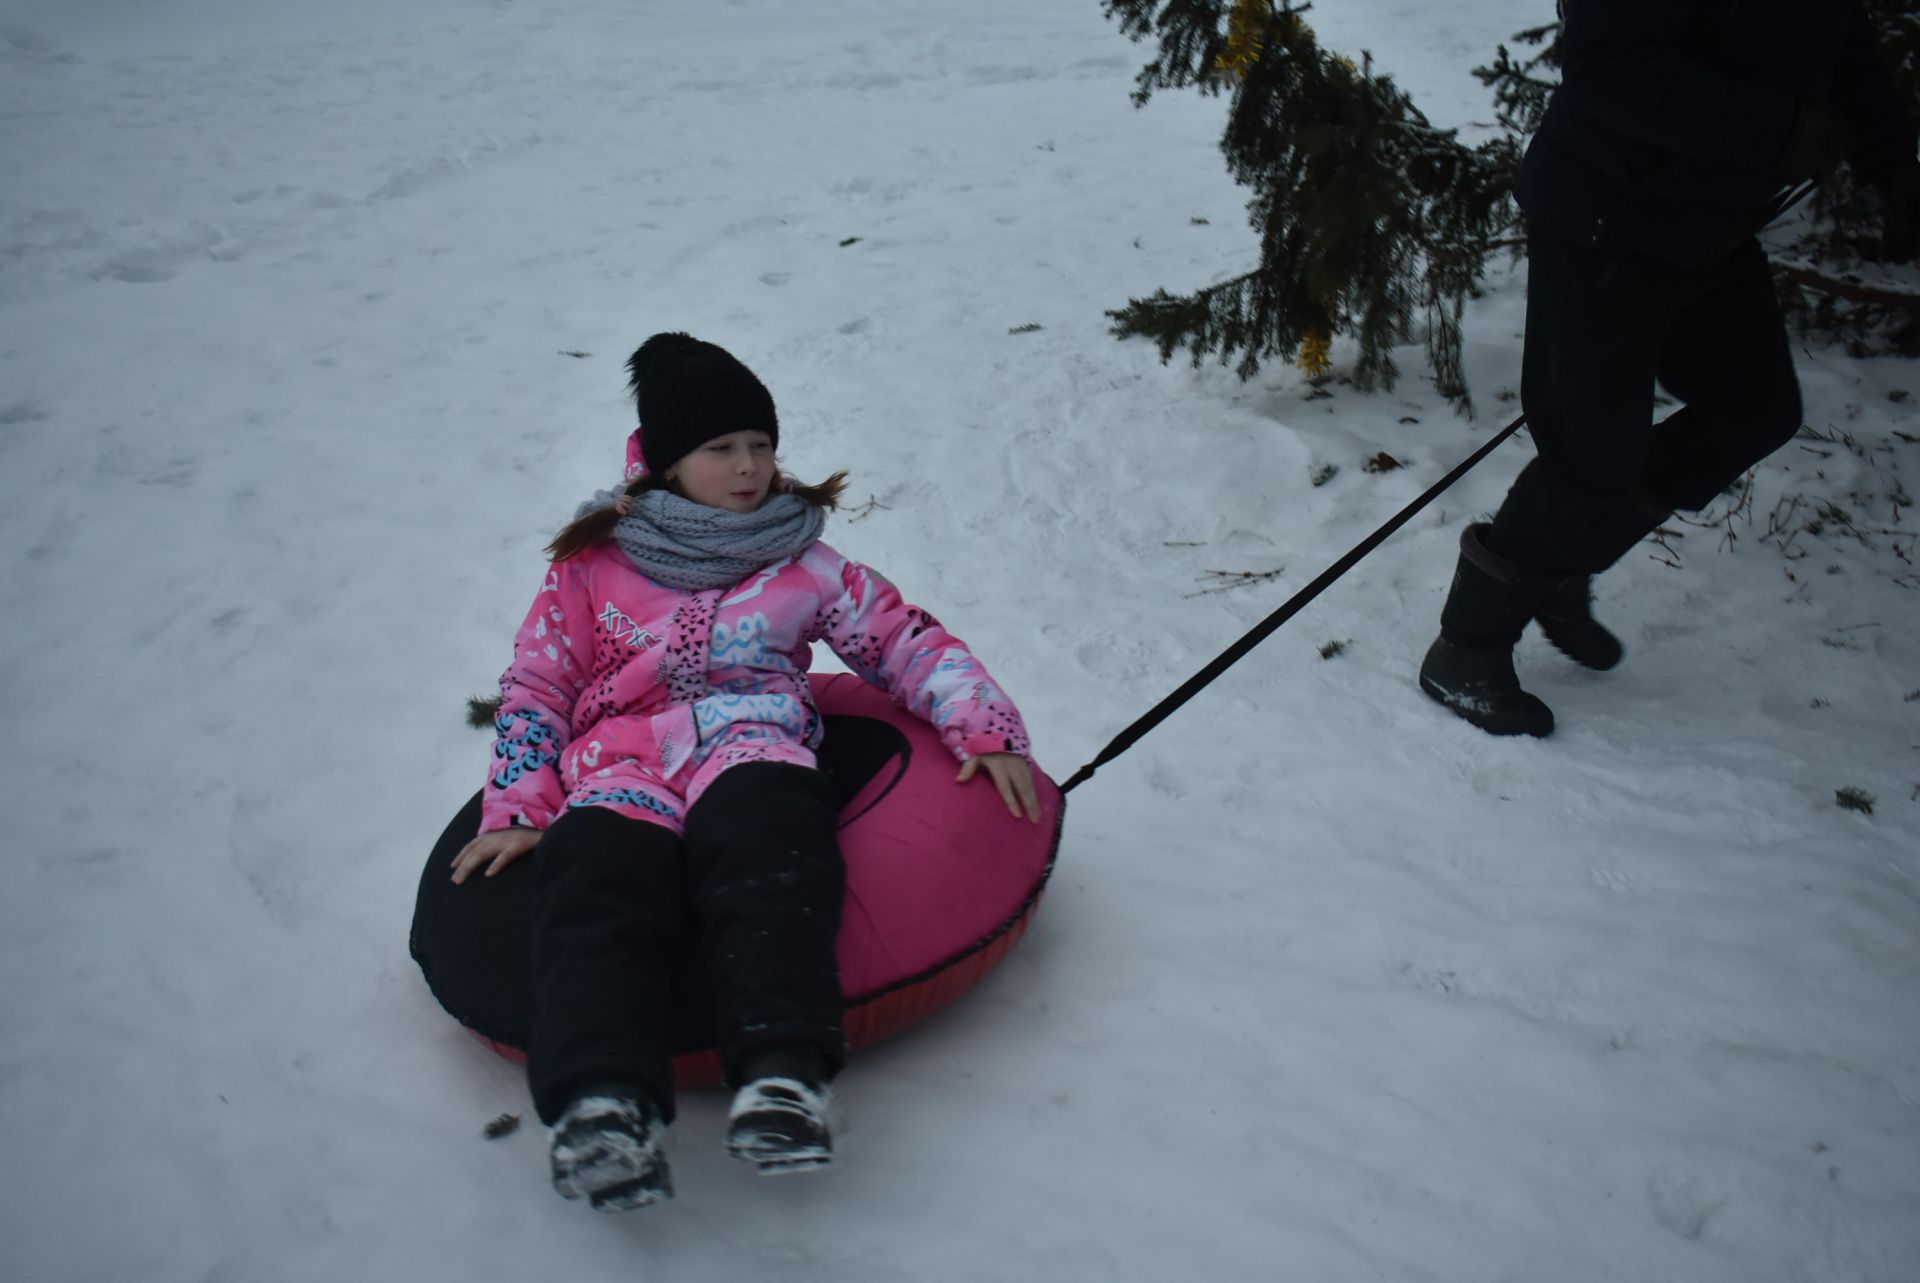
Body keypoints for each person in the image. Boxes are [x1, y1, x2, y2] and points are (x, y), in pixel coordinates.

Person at [450, 332, 1041, 1211]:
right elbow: (538, 685)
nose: (749, 467)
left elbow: (902, 642)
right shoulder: (592, 563)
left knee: (768, 861)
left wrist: (982, 728)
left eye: (761, 445)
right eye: (721, 449)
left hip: (752, 743)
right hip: (622, 765)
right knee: (597, 889)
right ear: (666, 461)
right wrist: (518, 806)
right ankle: (602, 1104)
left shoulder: (801, 559)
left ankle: (782, 1076)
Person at [1419, 0, 1920, 737]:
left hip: (1707, 221)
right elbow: (1612, 66)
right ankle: (1466, 644)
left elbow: (1835, 34)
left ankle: (1557, 569)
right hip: (1606, 211)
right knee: (1590, 454)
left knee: (1755, 407)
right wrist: (1779, 131)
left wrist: (1893, 163)